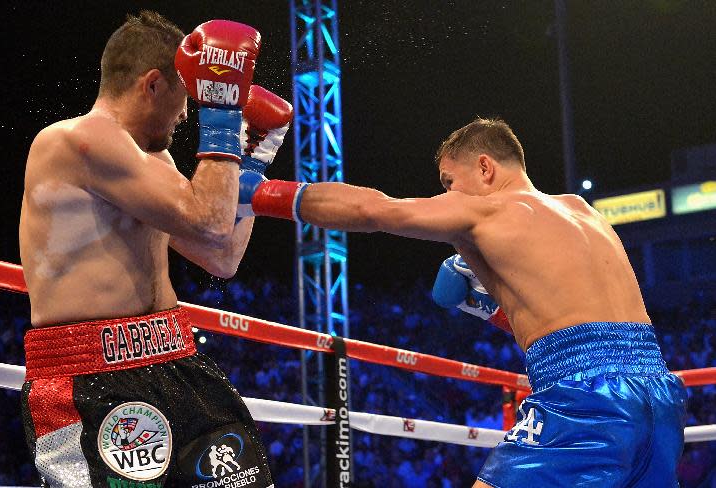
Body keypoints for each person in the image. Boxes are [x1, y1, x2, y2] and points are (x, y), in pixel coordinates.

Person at [237, 117, 688, 486]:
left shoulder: (486, 210)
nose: (447, 195)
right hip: (659, 394)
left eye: (450, 182)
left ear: (485, 167)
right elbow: (581, 327)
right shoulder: (583, 210)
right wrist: (491, 308)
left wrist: (259, 193)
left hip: (584, 398)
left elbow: (376, 210)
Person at [18, 11, 290, 487]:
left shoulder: (153, 159)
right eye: (188, 97)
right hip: (91, 379)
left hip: (177, 358)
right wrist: (224, 116)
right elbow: (208, 222)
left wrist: (252, 160)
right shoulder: (75, 140)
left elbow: (221, 254)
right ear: (153, 84)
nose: (188, 115)